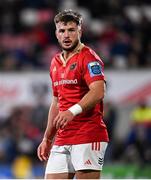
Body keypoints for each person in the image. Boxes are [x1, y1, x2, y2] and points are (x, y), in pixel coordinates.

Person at [37, 9, 109, 179]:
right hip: (62, 138)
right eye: (62, 31)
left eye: (71, 30)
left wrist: (72, 111)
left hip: (88, 135)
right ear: (56, 34)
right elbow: (56, 102)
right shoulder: (55, 62)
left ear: (80, 32)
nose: (66, 35)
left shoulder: (88, 57)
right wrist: (47, 138)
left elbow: (99, 91)